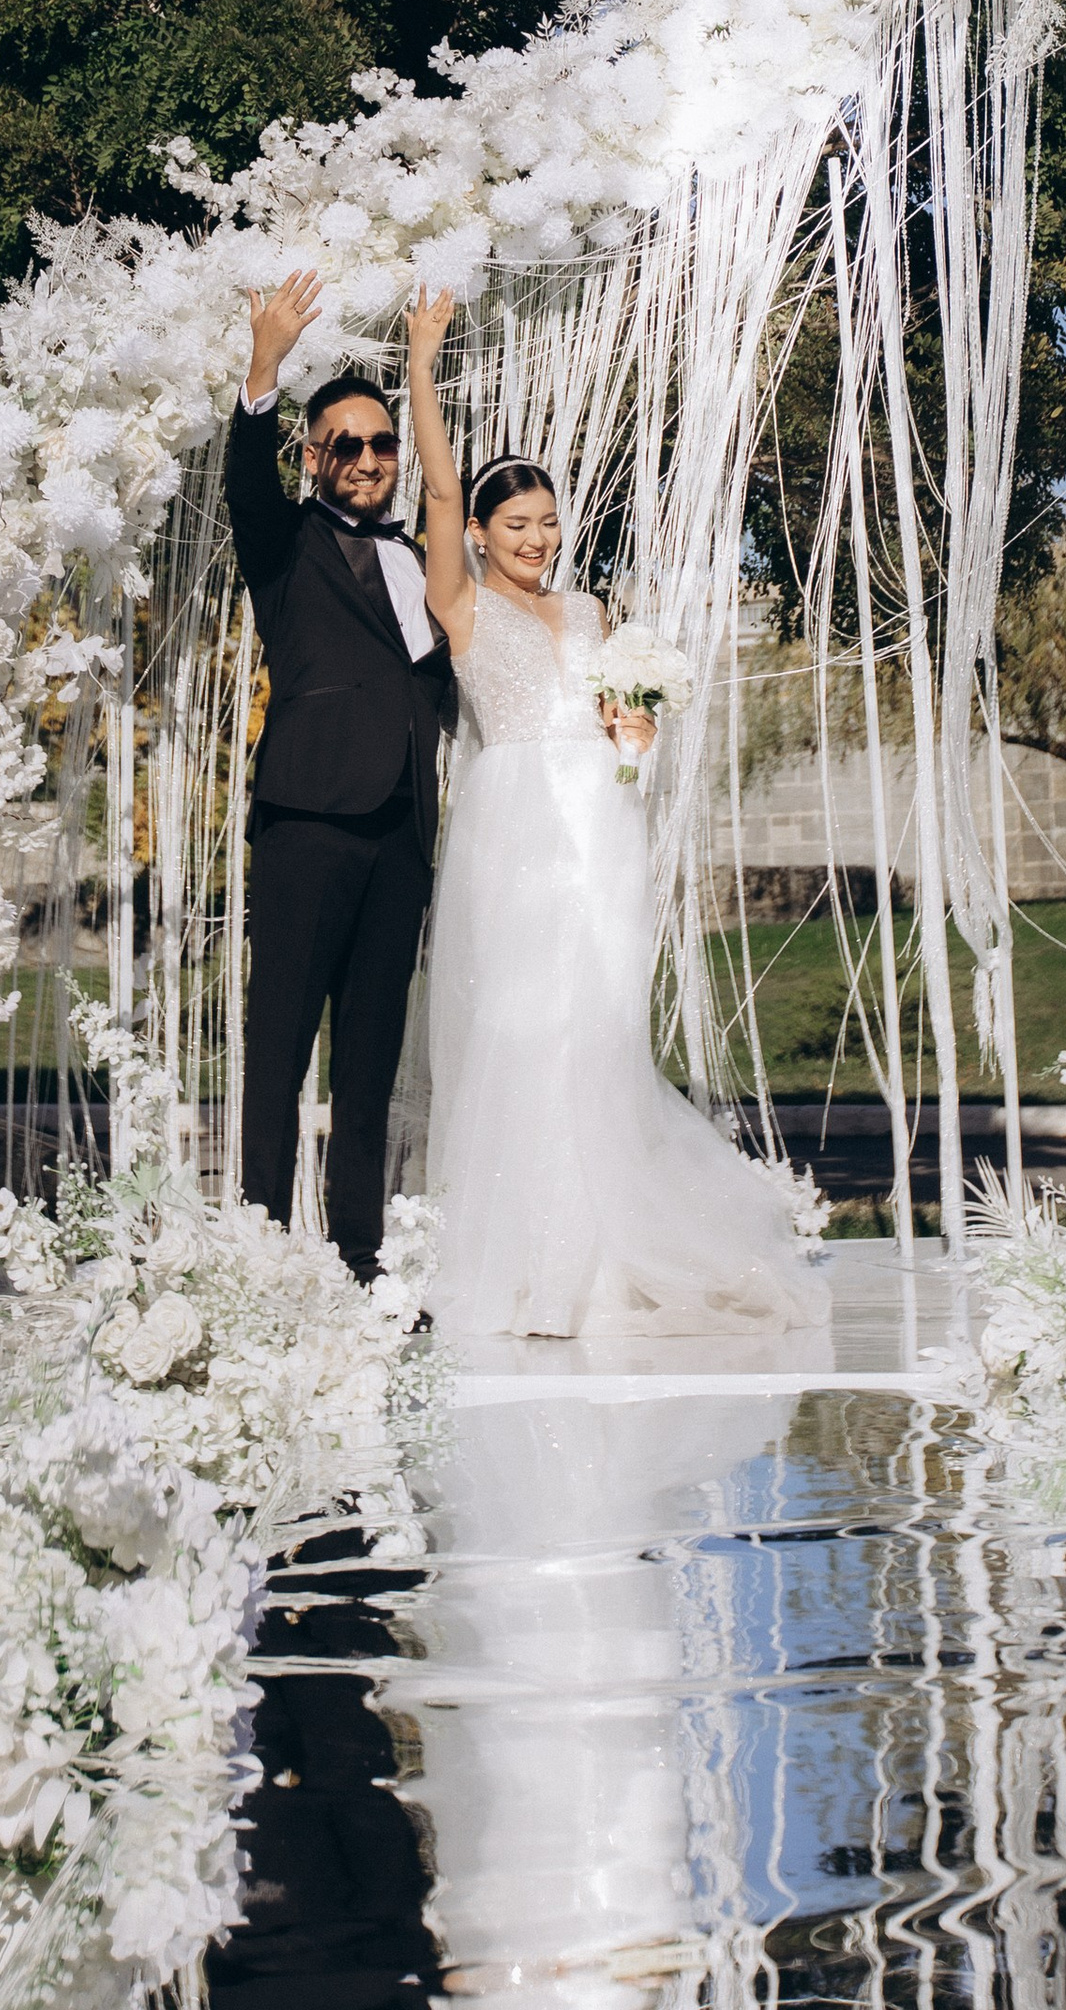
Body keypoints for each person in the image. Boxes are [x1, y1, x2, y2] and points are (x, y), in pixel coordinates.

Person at [403, 289, 824, 1342]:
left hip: (599, 824)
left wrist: (634, 739)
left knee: (595, 1028)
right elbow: (441, 487)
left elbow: (620, 728)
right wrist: (421, 363)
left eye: (548, 521)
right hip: (513, 829)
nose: (537, 538)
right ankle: (526, 1261)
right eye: (517, 524)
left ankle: (596, 1253)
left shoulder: (592, 610)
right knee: (521, 1025)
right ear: (481, 536)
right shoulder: (460, 602)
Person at [227, 271, 456, 1281]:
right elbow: (246, 481)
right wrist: (264, 365)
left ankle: (358, 1253)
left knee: (369, 1059)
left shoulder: (422, 559)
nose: (367, 459)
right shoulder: (284, 546)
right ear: (314, 457)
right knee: (279, 1047)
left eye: (381, 444)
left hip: (401, 835)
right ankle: (260, 1248)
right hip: (307, 824)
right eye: (345, 445)